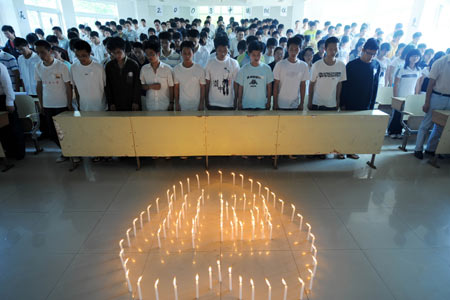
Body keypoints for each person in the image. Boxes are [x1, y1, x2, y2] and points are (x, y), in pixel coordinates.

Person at [340, 38, 381, 160]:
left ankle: (351, 149)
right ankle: (340, 150)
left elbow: (375, 86)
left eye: (374, 54)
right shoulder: (352, 65)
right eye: (369, 53)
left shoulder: (376, 65)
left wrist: (372, 104)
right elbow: (345, 86)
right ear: (363, 50)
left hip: (366, 102)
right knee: (346, 127)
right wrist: (342, 103)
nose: (371, 57)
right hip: (350, 102)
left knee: (358, 128)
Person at [34, 40, 72, 162]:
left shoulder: (61, 66)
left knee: (65, 131)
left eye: (43, 52)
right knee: (52, 133)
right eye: (38, 53)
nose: (41, 55)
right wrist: (41, 103)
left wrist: (70, 103)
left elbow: (68, 86)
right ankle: (65, 151)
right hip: (48, 104)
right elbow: (39, 86)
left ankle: (71, 152)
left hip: (62, 104)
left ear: (50, 51)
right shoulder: (38, 67)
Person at [414, 53, 450, 159]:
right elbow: (430, 84)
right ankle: (418, 149)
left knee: (441, 126)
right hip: (437, 97)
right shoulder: (440, 63)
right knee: (427, 124)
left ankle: (431, 149)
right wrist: (427, 102)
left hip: (449, 99)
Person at [388, 49, 422, 139]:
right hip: (400, 95)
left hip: (410, 96)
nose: (415, 58)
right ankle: (392, 131)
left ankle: (399, 131)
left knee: (405, 115)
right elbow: (396, 84)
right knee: (397, 114)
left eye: (417, 56)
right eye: (413, 56)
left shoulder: (418, 70)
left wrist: (416, 95)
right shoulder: (402, 69)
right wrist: (395, 97)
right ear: (409, 57)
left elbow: (417, 84)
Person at [308, 37, 346, 111]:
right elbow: (311, 84)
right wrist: (310, 101)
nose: (333, 52)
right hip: (317, 103)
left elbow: (339, 84)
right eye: (330, 49)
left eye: (335, 49)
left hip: (332, 104)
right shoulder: (316, 65)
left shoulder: (341, 65)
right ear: (325, 49)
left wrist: (338, 100)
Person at [273, 37, 309, 111]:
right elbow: (276, 85)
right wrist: (275, 103)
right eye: (291, 49)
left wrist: (301, 103)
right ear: (287, 48)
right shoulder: (280, 64)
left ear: (300, 49)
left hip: (295, 105)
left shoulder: (304, 65)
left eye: (296, 49)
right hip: (281, 104)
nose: (293, 52)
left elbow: (303, 85)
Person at [105, 37, 141, 111]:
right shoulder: (109, 66)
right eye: (114, 53)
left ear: (124, 50)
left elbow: (137, 85)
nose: (117, 55)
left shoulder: (133, 64)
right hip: (115, 101)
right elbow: (108, 86)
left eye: (119, 52)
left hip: (131, 101)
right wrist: (111, 103)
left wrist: (135, 101)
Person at [205, 35, 240, 110]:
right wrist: (206, 99)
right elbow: (207, 83)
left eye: (225, 50)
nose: (223, 53)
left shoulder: (234, 63)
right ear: (216, 49)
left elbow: (236, 84)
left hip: (229, 104)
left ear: (228, 49)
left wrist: (236, 100)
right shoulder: (210, 63)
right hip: (213, 103)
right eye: (220, 50)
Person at [236, 41, 273, 110]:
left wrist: (269, 102)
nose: (256, 57)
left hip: (261, 105)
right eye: (253, 55)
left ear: (262, 54)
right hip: (246, 105)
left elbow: (269, 87)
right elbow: (240, 87)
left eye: (258, 55)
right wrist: (239, 102)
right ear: (249, 54)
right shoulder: (243, 69)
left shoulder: (267, 69)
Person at [71, 40, 107, 112]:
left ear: (90, 53)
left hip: (101, 107)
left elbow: (105, 87)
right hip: (84, 107)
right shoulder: (73, 68)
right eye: (78, 56)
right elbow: (76, 87)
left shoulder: (99, 67)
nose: (81, 58)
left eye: (84, 55)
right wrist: (78, 104)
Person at [140, 40, 174, 111]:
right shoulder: (144, 69)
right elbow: (141, 86)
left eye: (151, 53)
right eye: (147, 54)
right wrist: (150, 86)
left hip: (165, 105)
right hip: (150, 105)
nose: (149, 56)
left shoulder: (167, 69)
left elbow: (171, 87)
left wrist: (171, 103)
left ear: (158, 54)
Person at [173, 41, 206, 111]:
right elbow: (176, 88)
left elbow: (202, 87)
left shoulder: (200, 69)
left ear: (193, 53)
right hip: (182, 105)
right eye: (184, 53)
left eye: (189, 53)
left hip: (196, 105)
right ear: (181, 53)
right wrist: (176, 103)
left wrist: (201, 103)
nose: (187, 56)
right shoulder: (176, 69)